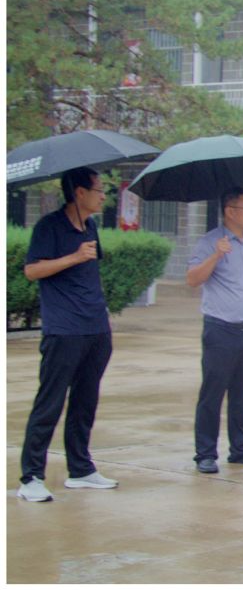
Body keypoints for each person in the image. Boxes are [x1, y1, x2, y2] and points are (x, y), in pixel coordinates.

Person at [17, 168, 119, 501]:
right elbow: (32, 270)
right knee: (50, 402)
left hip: (96, 328)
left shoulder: (90, 226)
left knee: (85, 401)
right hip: (64, 329)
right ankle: (31, 477)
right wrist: (73, 256)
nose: (103, 196)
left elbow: (89, 274)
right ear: (79, 193)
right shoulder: (49, 227)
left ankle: (81, 470)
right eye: (98, 189)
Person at [186, 187, 243, 474]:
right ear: (230, 211)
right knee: (213, 393)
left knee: (242, 392)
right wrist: (216, 255)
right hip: (221, 329)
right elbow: (193, 279)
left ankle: (241, 448)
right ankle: (205, 453)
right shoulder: (210, 242)